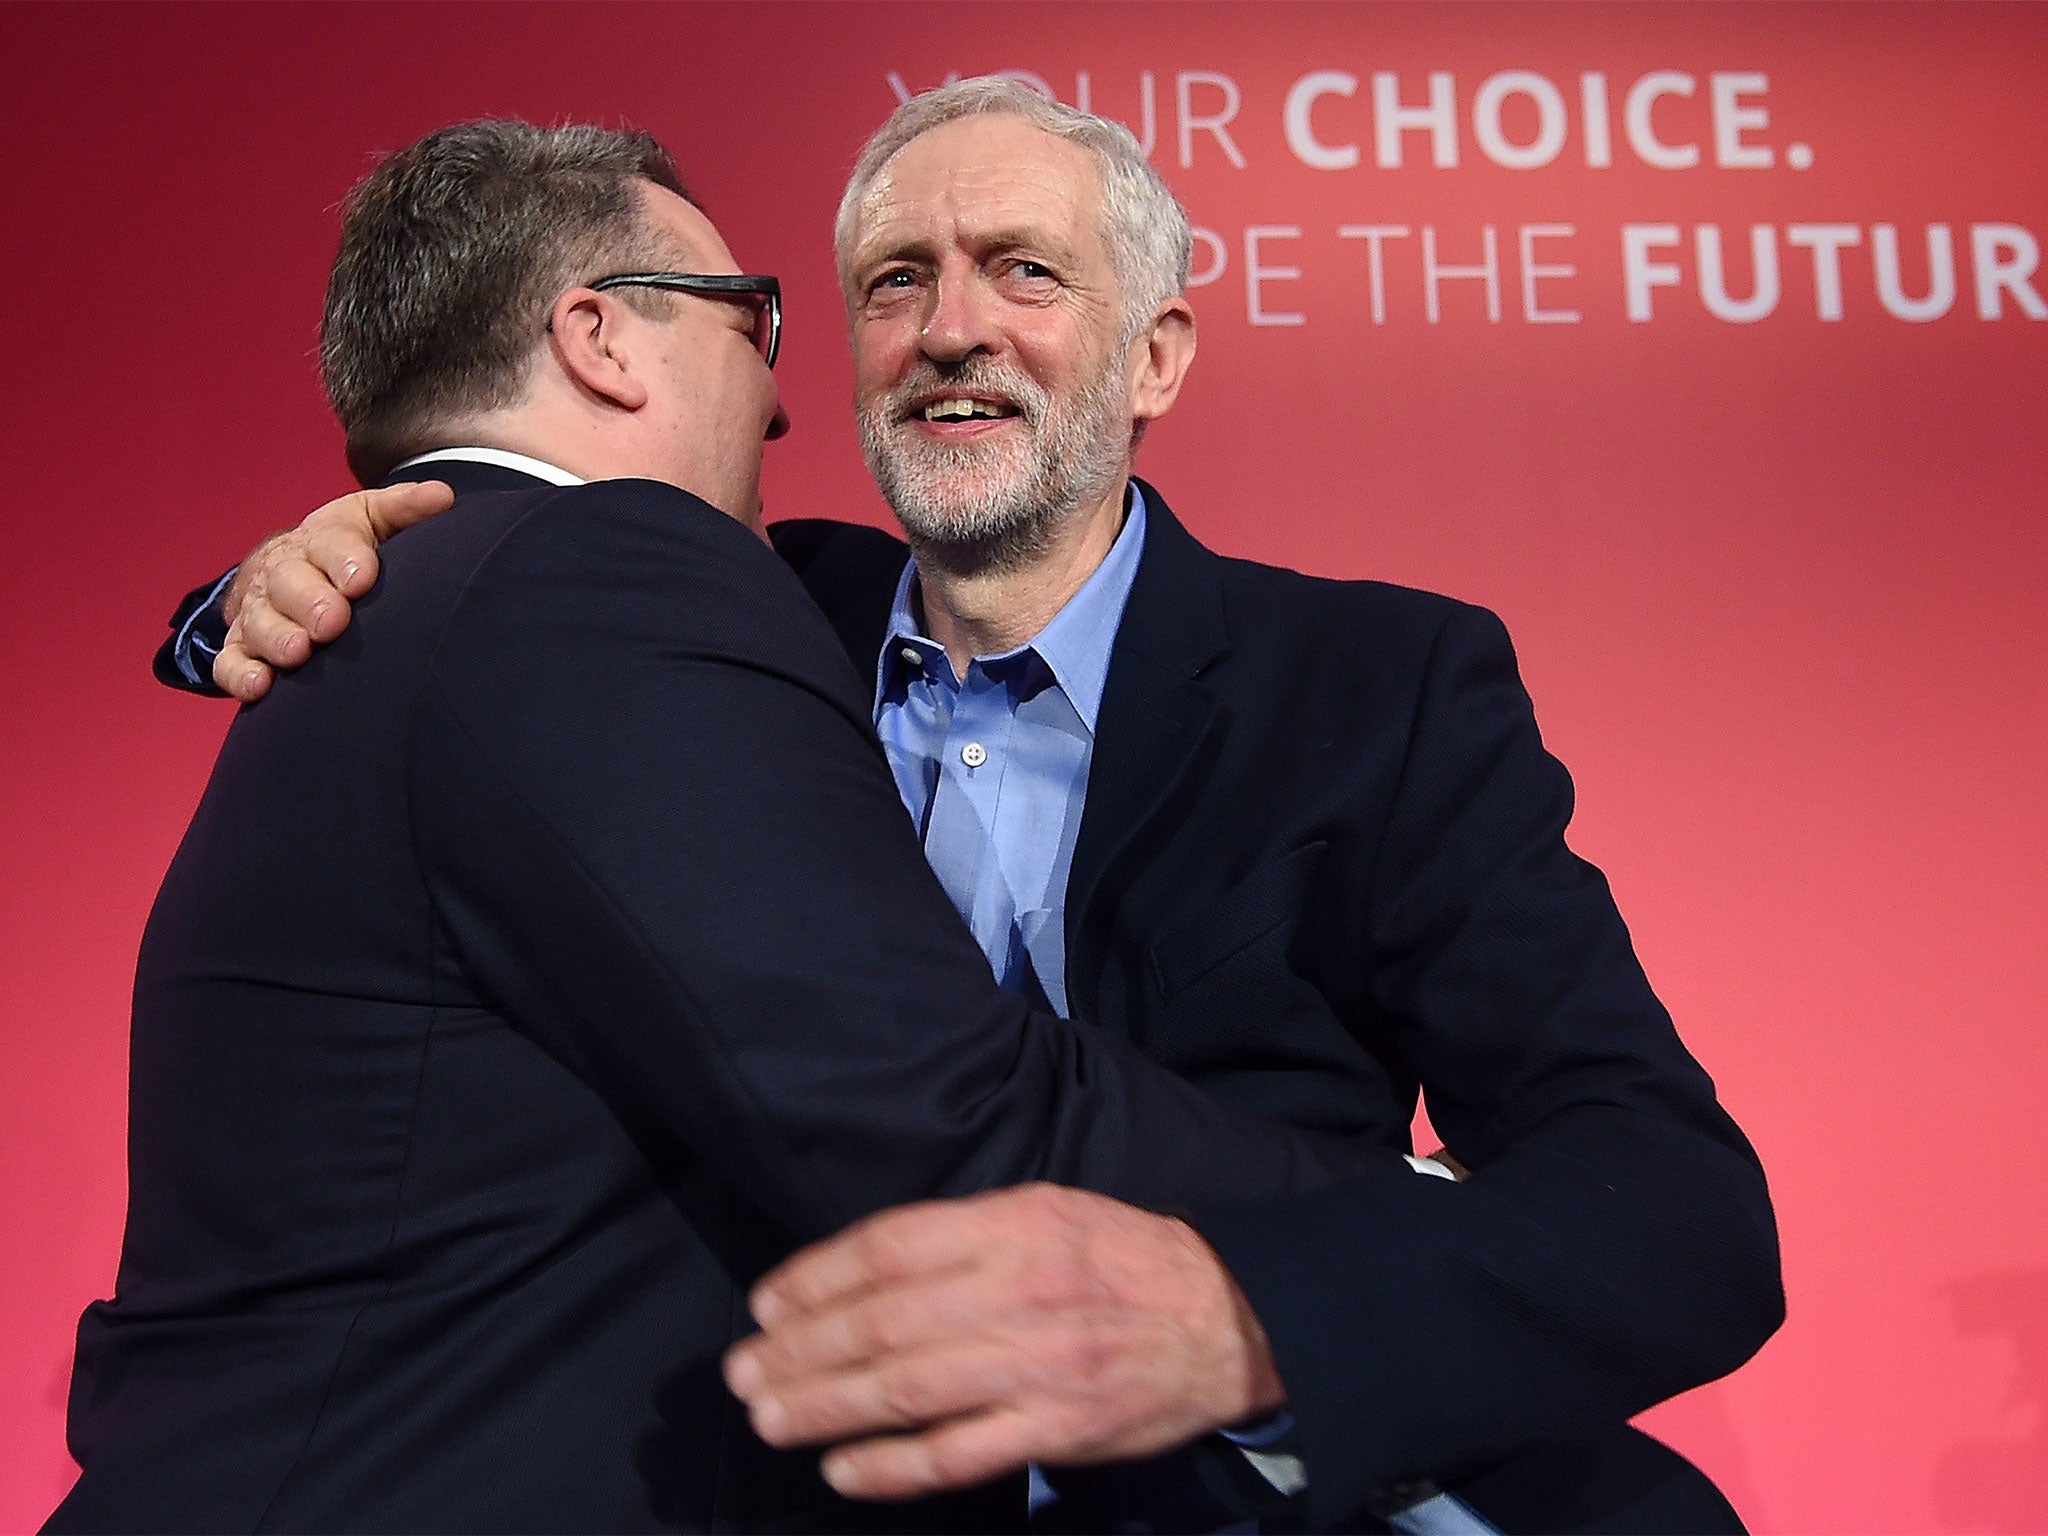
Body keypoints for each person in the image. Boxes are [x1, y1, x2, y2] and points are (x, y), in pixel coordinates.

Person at [152, 84, 1783, 1533]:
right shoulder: (728, 621)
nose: (951, 328)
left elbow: (1677, 1211)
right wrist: (265, 582)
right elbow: (502, 572)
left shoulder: (1374, 686)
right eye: (894, 283)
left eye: (1027, 270)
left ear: (1156, 355)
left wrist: (1251, 1313)